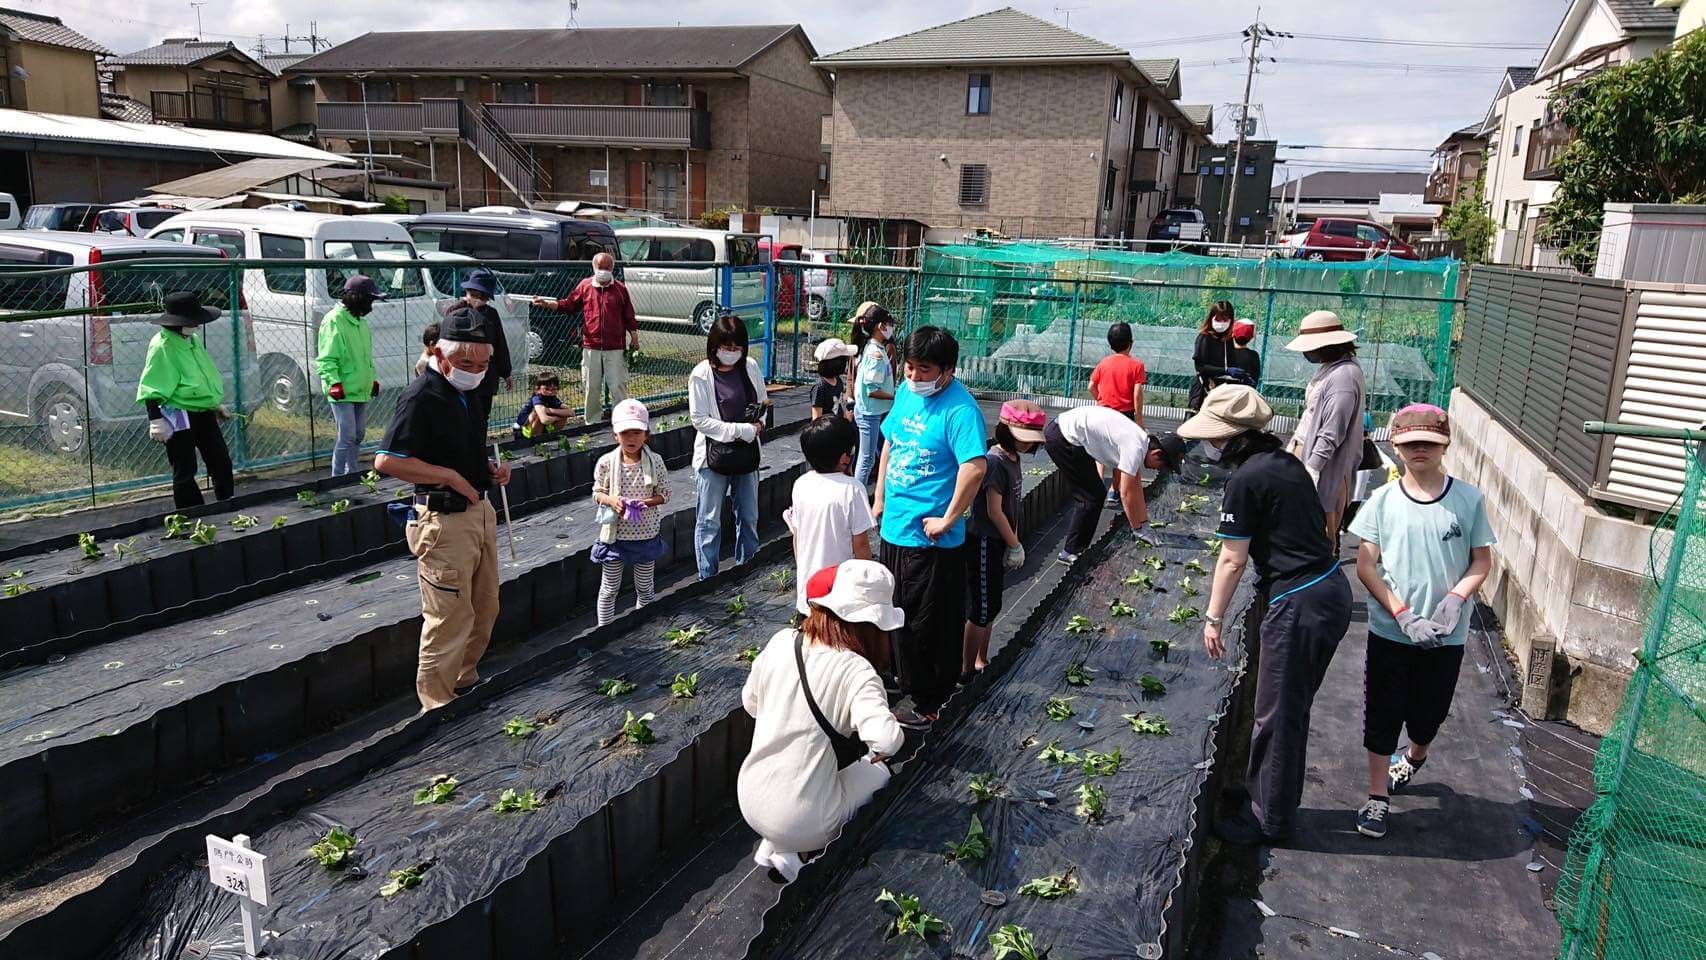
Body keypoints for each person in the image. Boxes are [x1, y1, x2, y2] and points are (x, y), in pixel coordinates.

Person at [1182, 385, 1351, 845]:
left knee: (1277, 713)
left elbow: (1232, 559)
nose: (1209, 443)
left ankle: (1267, 821)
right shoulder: (1284, 463)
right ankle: (1267, 796)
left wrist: (1213, 618)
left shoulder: (1246, 480)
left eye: (1214, 435)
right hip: (1325, 588)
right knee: (1286, 706)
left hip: (1300, 600)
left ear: (1231, 437)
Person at [1347, 404, 1494, 839]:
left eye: (1429, 443)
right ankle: (1377, 797)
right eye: (1411, 443)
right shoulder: (1382, 501)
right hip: (1391, 631)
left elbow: (1481, 561)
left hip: (1446, 637)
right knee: (1382, 712)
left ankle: (1415, 755)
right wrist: (1402, 613)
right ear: (1396, 446)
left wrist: (1457, 597)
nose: (1419, 450)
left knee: (1429, 714)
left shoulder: (1468, 500)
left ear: (1445, 446)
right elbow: (1366, 566)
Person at [374, 304, 512, 711]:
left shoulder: (471, 390)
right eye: (465, 363)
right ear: (439, 354)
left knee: (484, 606)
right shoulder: (422, 396)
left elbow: (463, 446)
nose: (475, 371)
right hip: (443, 518)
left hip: (478, 510)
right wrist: (449, 477)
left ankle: (463, 679)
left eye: (483, 364)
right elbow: (387, 461)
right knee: (448, 616)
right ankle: (436, 704)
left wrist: (489, 469)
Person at [738, 559, 906, 882]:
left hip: (749, 797)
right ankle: (804, 851)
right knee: (879, 773)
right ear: (873, 625)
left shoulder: (782, 641)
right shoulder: (856, 670)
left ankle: (776, 844)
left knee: (804, 775)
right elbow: (887, 740)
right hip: (805, 818)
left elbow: (751, 703)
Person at [872, 326, 988, 727]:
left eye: (924, 370)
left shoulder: (960, 410)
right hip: (895, 529)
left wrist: (949, 518)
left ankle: (929, 701)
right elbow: (890, 442)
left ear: (947, 370)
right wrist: (880, 496)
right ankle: (903, 679)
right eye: (909, 367)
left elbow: (975, 468)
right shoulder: (907, 393)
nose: (914, 376)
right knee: (896, 611)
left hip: (931, 538)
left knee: (927, 621)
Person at [961, 401, 1047, 684]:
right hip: (984, 541)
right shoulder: (996, 461)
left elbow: (1012, 507)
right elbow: (994, 511)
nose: (1028, 445)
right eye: (1024, 438)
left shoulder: (1013, 459)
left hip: (999, 541)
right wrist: (1014, 544)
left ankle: (981, 659)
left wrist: (1013, 540)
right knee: (982, 608)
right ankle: (966, 669)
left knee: (993, 604)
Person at [1043, 404, 1185, 564]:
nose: (1159, 469)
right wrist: (1137, 529)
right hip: (1063, 438)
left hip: (1069, 433)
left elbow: (1136, 486)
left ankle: (1075, 549)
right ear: (1157, 453)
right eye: (1163, 465)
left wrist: (1144, 523)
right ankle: (1069, 552)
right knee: (1089, 497)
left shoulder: (1141, 440)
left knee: (1095, 494)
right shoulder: (1135, 447)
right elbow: (1125, 494)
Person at [689, 312, 770, 580]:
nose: (732, 353)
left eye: (737, 348)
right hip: (714, 456)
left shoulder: (750, 367)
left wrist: (758, 425)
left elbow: (762, 404)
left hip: (746, 454)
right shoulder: (701, 374)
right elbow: (700, 420)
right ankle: (707, 577)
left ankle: (747, 571)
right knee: (709, 521)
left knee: (748, 516)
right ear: (714, 346)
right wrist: (740, 431)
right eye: (727, 347)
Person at [137, 291, 235, 508]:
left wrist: (214, 403)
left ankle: (227, 504)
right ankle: (191, 514)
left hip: (203, 411)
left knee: (220, 460)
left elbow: (200, 376)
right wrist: (155, 420)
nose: (198, 325)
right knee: (185, 468)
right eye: (194, 320)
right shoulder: (162, 346)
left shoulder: (192, 340)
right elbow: (152, 385)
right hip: (178, 413)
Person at [1286, 310, 1367, 549]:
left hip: (1325, 466)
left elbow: (1333, 429)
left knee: (1318, 532)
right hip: (1308, 453)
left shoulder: (1343, 376)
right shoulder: (1332, 367)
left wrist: (1313, 468)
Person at [591, 399, 671, 626]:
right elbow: (597, 492)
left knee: (645, 587)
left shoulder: (655, 462)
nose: (631, 438)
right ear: (615, 436)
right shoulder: (606, 463)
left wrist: (645, 503)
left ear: (646, 435)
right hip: (615, 538)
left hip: (645, 535)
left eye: (637, 432)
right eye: (625, 433)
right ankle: (604, 630)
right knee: (609, 589)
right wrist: (611, 500)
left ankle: (641, 626)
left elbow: (664, 494)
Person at [532, 252, 638, 422]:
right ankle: (592, 422)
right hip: (591, 346)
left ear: (612, 268)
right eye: (601, 267)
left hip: (615, 346)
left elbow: (629, 315)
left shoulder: (620, 289)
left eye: (607, 267)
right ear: (594, 267)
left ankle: (621, 421)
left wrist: (634, 337)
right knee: (591, 387)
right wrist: (548, 304)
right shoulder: (585, 286)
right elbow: (569, 305)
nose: (604, 271)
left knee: (618, 386)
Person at [787, 415, 875, 616]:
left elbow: (797, 538)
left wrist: (804, 570)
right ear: (844, 458)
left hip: (808, 592)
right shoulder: (853, 489)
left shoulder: (801, 484)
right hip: (841, 594)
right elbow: (861, 546)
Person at [316, 275, 383, 477]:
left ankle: (351, 474)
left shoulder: (361, 323)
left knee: (359, 434)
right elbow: (326, 358)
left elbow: (365, 358)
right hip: (342, 389)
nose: (371, 306)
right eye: (369, 300)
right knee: (347, 436)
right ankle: (338, 478)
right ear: (356, 298)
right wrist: (333, 383)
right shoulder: (334, 321)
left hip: (360, 387)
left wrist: (371, 379)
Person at [849, 301, 897, 485]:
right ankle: (858, 494)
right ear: (880, 326)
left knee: (868, 457)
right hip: (869, 413)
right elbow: (872, 390)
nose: (891, 329)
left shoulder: (874, 347)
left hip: (872, 411)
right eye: (889, 324)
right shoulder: (875, 354)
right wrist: (894, 396)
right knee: (867, 460)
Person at [457, 267, 513, 420]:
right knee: (463, 416)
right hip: (463, 374)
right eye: (473, 294)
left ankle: (479, 436)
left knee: (482, 415)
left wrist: (506, 372)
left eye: (482, 296)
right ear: (467, 293)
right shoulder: (457, 311)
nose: (478, 299)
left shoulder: (491, 314)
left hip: (486, 375)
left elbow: (500, 344)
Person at [1088, 322, 1147, 425]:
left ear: (1111, 345)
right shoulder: (1137, 366)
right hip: (1125, 415)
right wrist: (1139, 420)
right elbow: (1137, 395)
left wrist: (1102, 401)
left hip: (1104, 412)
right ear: (1130, 343)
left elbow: (1091, 386)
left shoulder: (1104, 362)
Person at [1189, 300, 1237, 411]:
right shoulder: (1204, 338)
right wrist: (1225, 371)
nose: (1221, 323)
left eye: (1225, 319)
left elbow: (1231, 361)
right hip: (1204, 388)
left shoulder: (1228, 340)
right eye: (1218, 319)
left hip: (1223, 389)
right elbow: (1200, 367)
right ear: (1211, 318)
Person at [514, 371, 574, 443]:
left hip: (541, 426)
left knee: (564, 414)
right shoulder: (537, 398)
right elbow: (544, 420)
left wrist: (548, 410)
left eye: (554, 389)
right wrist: (556, 417)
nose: (550, 392)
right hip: (523, 430)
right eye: (546, 389)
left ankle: (551, 437)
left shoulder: (553, 398)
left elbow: (571, 412)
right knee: (538, 415)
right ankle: (537, 441)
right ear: (538, 389)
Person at [811, 338, 858, 421]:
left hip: (837, 426)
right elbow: (816, 419)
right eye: (845, 360)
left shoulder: (838, 380)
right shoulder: (820, 387)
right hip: (827, 428)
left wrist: (846, 417)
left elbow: (840, 405)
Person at [1227, 319, 1262, 387]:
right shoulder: (1254, 355)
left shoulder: (1226, 352)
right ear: (1251, 337)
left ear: (1233, 334)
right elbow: (1255, 380)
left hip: (1224, 390)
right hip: (1245, 391)